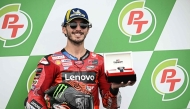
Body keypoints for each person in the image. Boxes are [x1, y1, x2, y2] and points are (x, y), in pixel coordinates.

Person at [24, 8, 135, 109]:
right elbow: (33, 97)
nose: (78, 29)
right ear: (64, 29)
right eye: (73, 25)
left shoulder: (100, 61)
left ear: (87, 29)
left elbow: (111, 106)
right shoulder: (50, 62)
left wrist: (114, 89)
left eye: (83, 25)